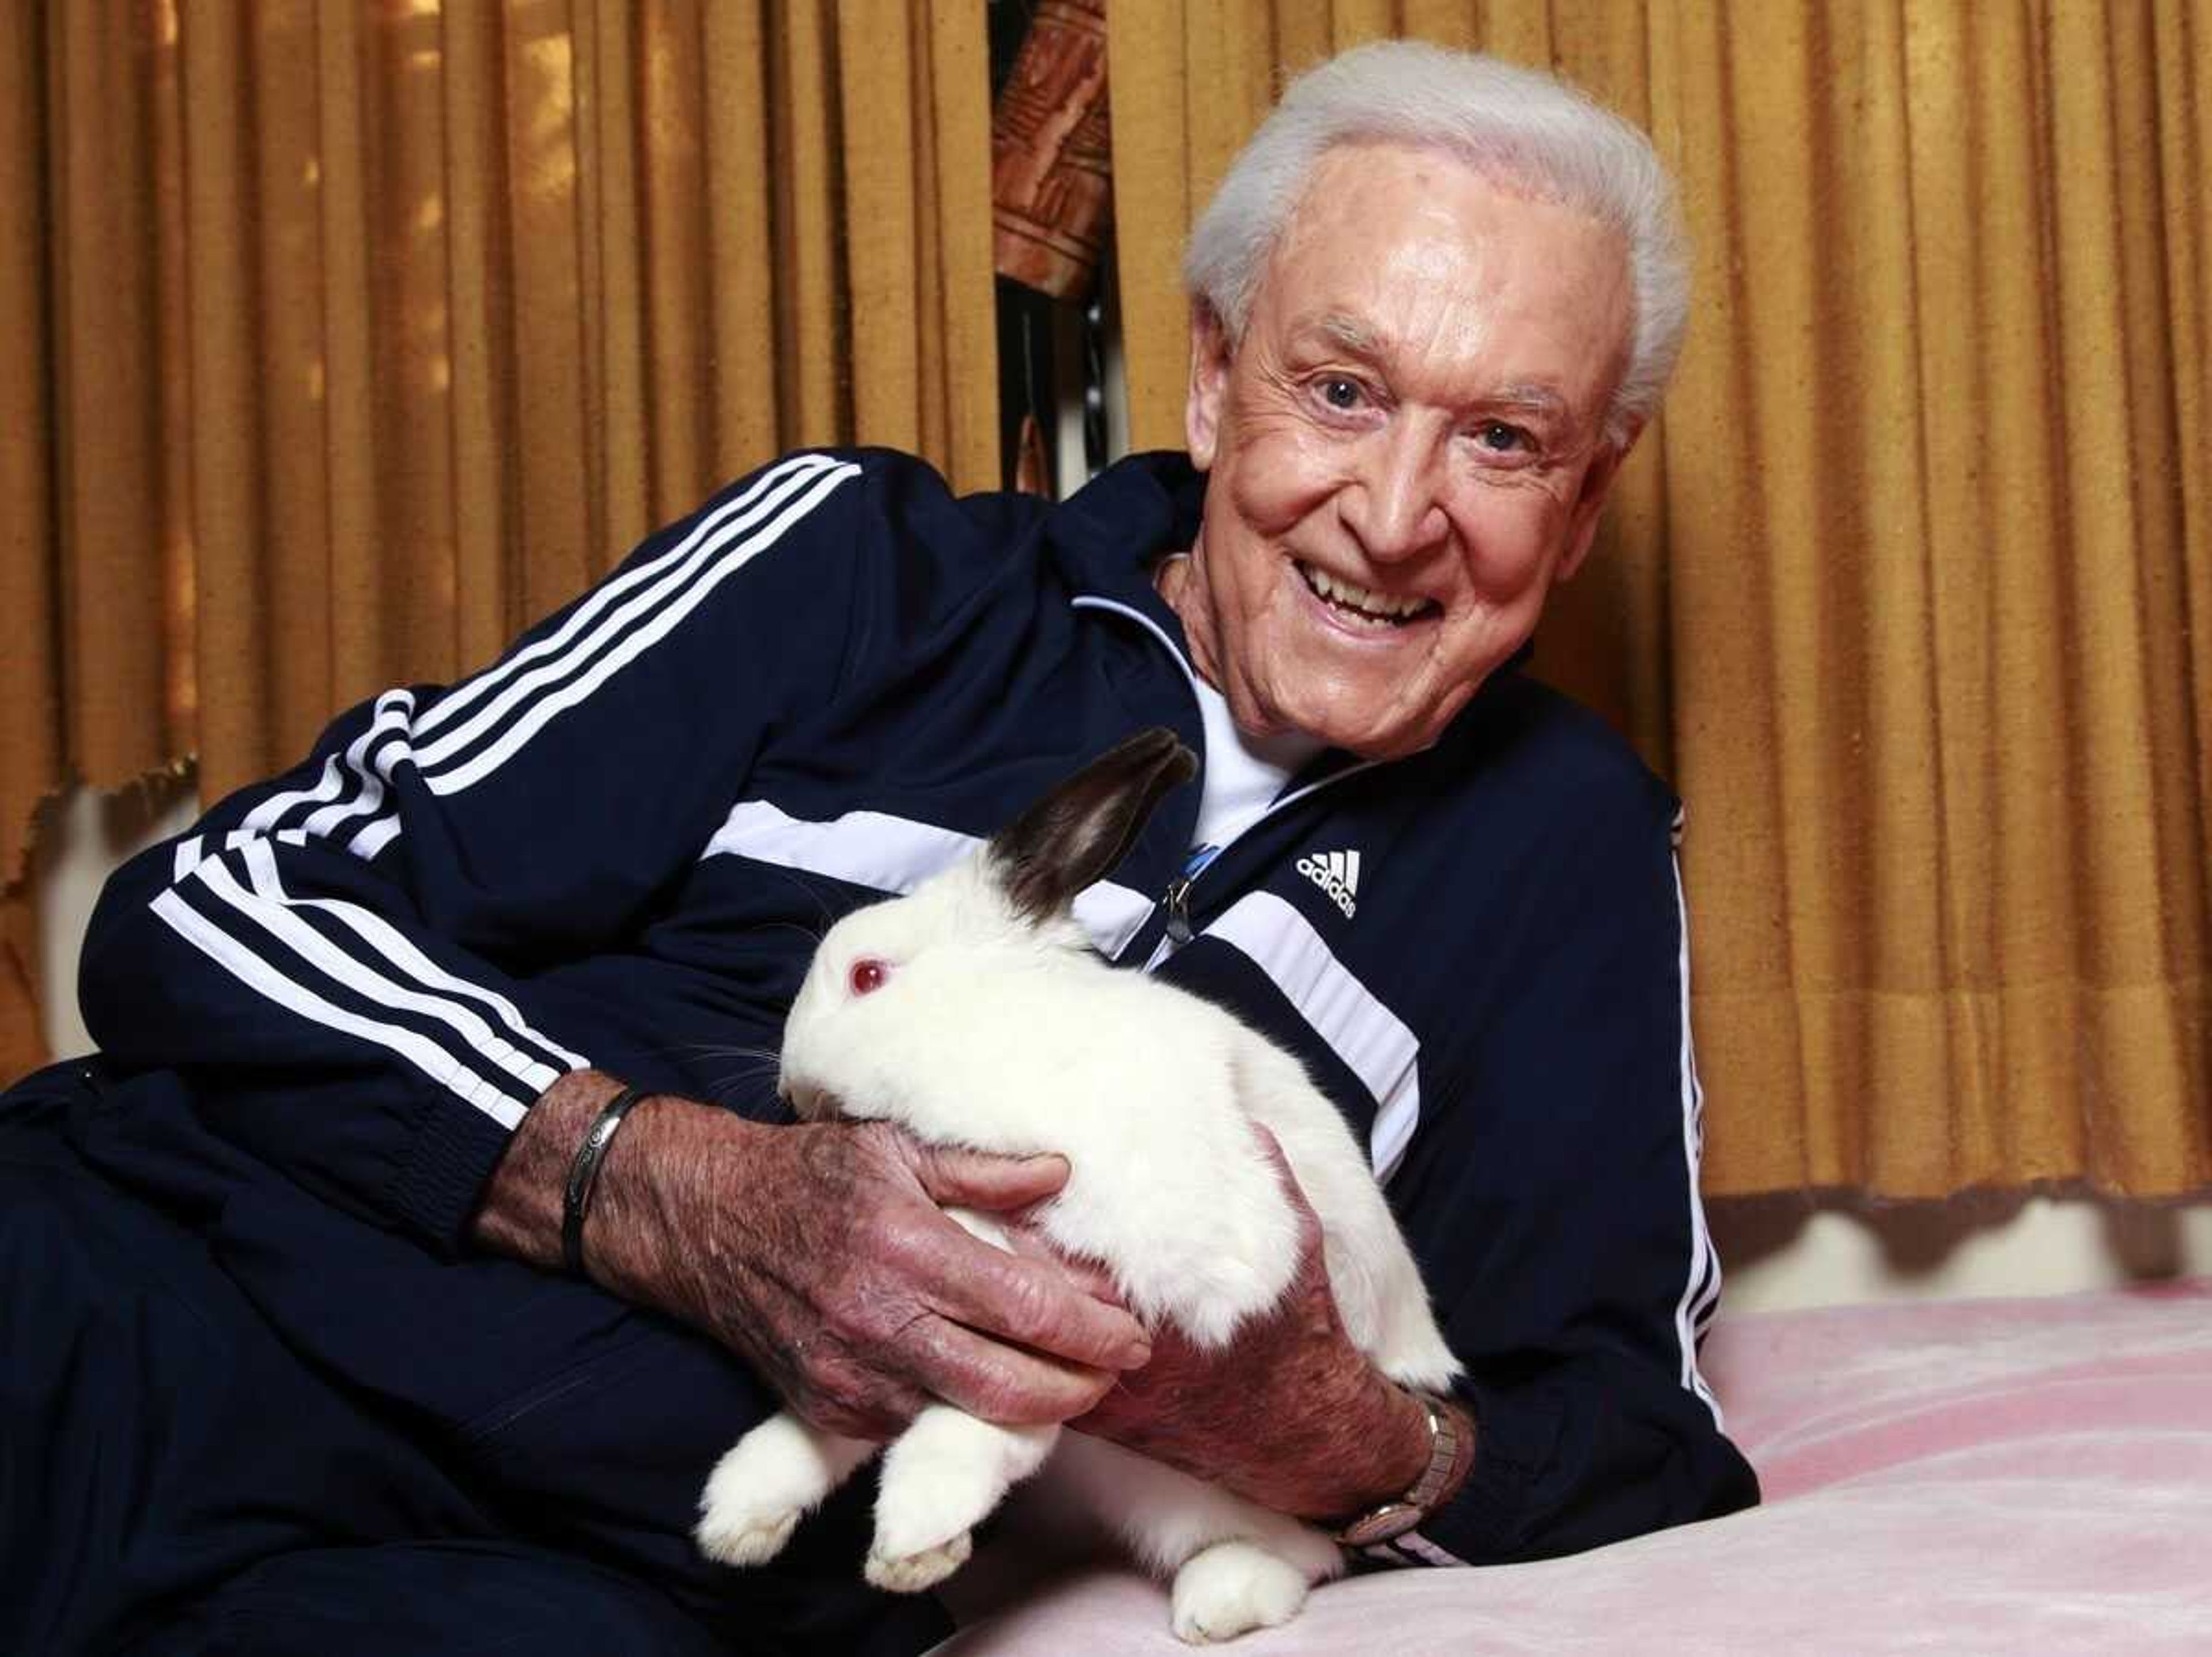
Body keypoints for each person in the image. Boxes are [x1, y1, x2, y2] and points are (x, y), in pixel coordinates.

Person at [2, 40, 1756, 1657]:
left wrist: (1300, 1415)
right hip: (155, 1306)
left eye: (1504, 440)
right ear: (1217, 383)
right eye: (1345, 390)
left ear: (1587, 500)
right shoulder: (864, 572)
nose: (1391, 514)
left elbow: (1629, 1449)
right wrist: (662, 1183)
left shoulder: (1569, 860)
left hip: (604, 1589)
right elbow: (214, 909)